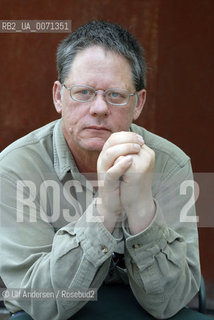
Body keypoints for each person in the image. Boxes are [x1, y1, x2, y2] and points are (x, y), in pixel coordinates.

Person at [0, 20, 204, 320]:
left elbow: (170, 302)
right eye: (83, 92)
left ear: (138, 103)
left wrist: (141, 207)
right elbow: (39, 302)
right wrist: (106, 208)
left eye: (116, 95)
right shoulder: (16, 167)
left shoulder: (170, 164)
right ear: (59, 96)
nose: (98, 108)